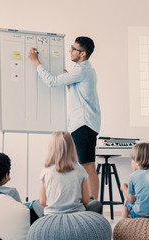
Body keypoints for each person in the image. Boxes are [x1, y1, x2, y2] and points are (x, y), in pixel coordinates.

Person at [28, 36, 101, 199]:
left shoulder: (81, 70)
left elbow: (52, 81)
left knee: (87, 166)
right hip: (85, 124)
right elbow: (81, 94)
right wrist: (71, 84)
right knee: (85, 166)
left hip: (83, 125)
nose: (70, 50)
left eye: (74, 49)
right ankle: (90, 203)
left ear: (83, 54)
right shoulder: (85, 70)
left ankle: (93, 205)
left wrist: (35, 62)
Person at [39, 131, 102, 215]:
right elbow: (86, 201)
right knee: (96, 204)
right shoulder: (80, 170)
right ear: (72, 147)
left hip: (52, 215)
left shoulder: (46, 170)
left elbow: (43, 202)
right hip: (76, 215)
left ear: (51, 148)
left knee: (35, 203)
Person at [0, 152, 43, 223]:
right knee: (36, 205)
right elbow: (22, 214)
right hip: (9, 222)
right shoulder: (11, 193)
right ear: (6, 175)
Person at [120, 142, 149, 219]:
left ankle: (123, 227)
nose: (131, 162)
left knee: (127, 201)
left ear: (138, 161)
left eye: (132, 159)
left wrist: (123, 187)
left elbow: (132, 200)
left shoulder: (133, 176)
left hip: (141, 215)